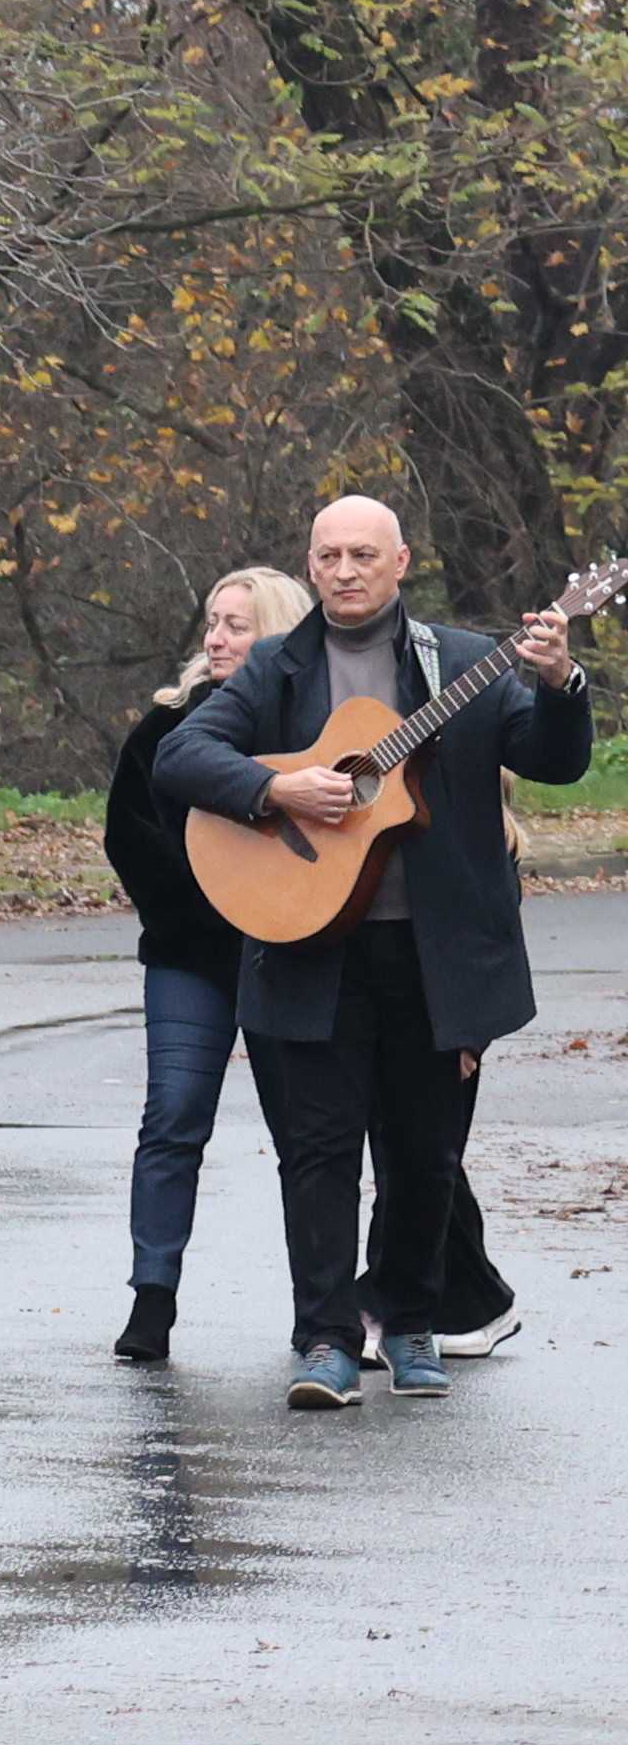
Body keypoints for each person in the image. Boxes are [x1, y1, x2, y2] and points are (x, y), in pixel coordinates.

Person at [154, 494, 595, 1404]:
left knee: (425, 1155)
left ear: (401, 563)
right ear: (310, 566)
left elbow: (555, 761)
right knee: (318, 1155)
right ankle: (323, 1340)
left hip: (437, 957)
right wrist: (278, 792)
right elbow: (182, 756)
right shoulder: (276, 666)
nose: (345, 570)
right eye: (329, 555)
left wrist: (559, 683)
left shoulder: (462, 662)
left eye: (363, 554)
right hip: (312, 951)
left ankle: (411, 1321)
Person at [106, 567, 306, 1367]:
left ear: (279, 635)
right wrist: (219, 903)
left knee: (308, 1137)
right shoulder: (167, 729)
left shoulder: (317, 729)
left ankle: (321, 1310)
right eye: (213, 624)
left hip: (293, 953)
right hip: (189, 955)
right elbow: (130, 839)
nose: (216, 639)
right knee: (173, 1118)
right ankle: (152, 1298)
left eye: (237, 626)